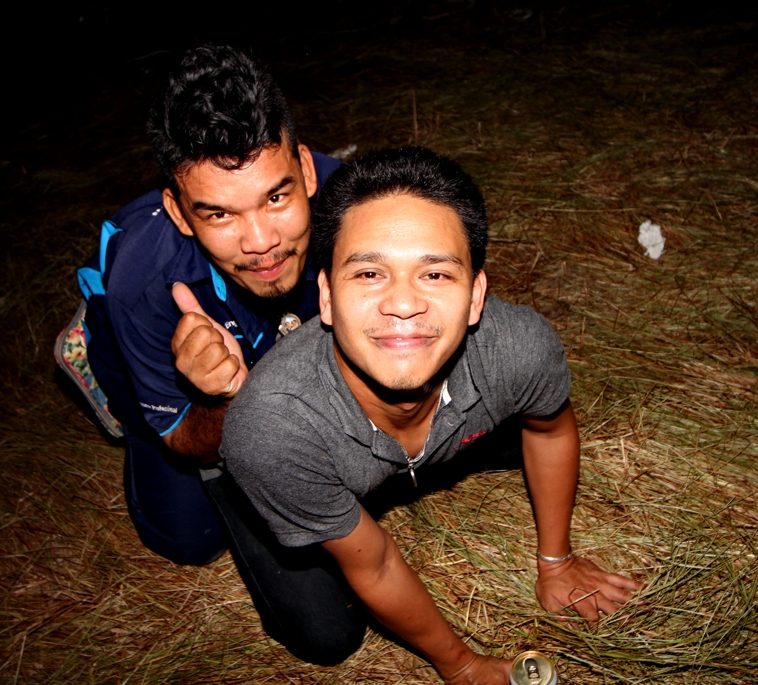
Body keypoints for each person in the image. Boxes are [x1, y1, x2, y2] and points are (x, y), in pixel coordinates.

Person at [222, 147, 644, 683]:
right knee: (326, 635)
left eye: (436, 275)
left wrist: (556, 561)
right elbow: (374, 562)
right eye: (369, 273)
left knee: (520, 406)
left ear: (476, 296)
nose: (403, 304)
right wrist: (460, 665)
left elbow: (551, 430)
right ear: (325, 296)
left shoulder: (519, 347)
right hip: (294, 459)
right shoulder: (273, 427)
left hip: (443, 428)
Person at [69, 45, 341, 573]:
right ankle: (93, 353)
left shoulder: (356, 202)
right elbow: (184, 438)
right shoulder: (143, 284)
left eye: (276, 198)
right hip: (157, 347)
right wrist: (228, 399)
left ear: (307, 171)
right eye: (220, 214)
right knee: (190, 539)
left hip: (274, 319)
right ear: (178, 212)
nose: (261, 242)